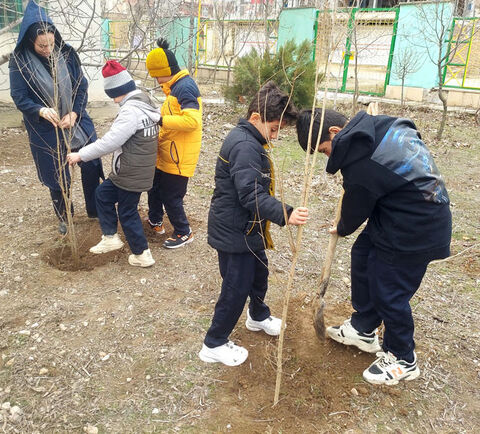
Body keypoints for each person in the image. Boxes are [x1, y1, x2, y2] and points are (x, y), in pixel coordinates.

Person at [296, 108, 452, 385]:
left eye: (323, 150)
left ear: (335, 132)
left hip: (417, 227)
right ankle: (364, 327)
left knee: (389, 292)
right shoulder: (377, 126)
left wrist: (342, 227)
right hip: (397, 212)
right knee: (362, 252)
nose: (326, 156)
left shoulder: (362, 160)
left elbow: (357, 206)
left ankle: (403, 357)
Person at [199, 82, 309, 367]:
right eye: (273, 129)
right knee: (236, 287)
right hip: (235, 232)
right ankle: (214, 343)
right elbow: (250, 193)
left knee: (259, 274)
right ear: (255, 118)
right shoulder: (245, 145)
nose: (274, 137)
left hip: (249, 229)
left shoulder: (250, 141)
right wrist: (285, 213)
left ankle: (258, 316)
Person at [9, 0, 103, 234]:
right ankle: (65, 216)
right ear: (31, 41)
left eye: (51, 43)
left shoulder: (68, 54)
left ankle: (94, 209)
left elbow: (81, 86)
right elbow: (19, 97)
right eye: (42, 45)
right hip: (45, 126)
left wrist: (75, 112)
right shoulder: (20, 63)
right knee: (57, 172)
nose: (48, 49)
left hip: (75, 120)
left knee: (91, 160)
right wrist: (40, 110)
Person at [67, 60, 160, 268]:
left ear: (118, 91)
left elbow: (110, 142)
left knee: (127, 211)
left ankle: (142, 254)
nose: (114, 101)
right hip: (138, 169)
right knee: (103, 194)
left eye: (113, 95)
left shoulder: (130, 112)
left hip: (130, 172)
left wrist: (80, 155)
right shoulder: (145, 103)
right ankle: (110, 237)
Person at [145, 38, 202, 249]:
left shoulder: (185, 88)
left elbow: (192, 121)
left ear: (164, 70)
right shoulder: (174, 87)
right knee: (155, 187)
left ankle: (183, 231)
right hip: (167, 153)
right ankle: (155, 220)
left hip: (179, 157)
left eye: (156, 75)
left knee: (171, 196)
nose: (157, 81)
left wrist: (160, 120)